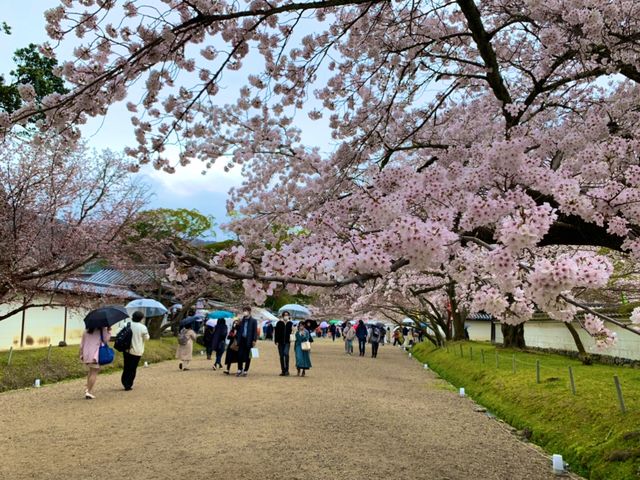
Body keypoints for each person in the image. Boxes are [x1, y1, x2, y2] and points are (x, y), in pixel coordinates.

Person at [79, 325, 112, 399]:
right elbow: (106, 340)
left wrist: (81, 354)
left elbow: (81, 344)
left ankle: (87, 389)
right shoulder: (101, 329)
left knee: (90, 371)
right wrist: (109, 331)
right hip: (95, 355)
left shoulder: (86, 331)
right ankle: (88, 391)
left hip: (86, 354)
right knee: (94, 372)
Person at [121, 311, 150, 391]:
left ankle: (124, 381)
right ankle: (128, 384)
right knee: (133, 368)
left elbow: (118, 333)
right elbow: (146, 338)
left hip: (126, 349)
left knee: (126, 366)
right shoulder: (142, 327)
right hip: (137, 350)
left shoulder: (126, 324)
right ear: (141, 318)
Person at [236, 306, 258, 377]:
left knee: (248, 356)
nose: (245, 312)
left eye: (246, 311)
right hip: (242, 339)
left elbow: (255, 331)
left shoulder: (253, 321)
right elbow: (238, 329)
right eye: (244, 311)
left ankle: (246, 370)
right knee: (239, 355)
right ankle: (240, 369)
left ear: (249, 312)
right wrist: (237, 324)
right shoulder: (241, 320)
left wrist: (254, 340)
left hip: (249, 340)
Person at [274, 311, 293, 376]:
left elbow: (293, 332)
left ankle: (287, 370)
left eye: (287, 315)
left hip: (287, 342)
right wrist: (276, 341)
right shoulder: (279, 323)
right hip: (280, 342)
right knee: (281, 356)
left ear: (289, 316)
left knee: (286, 354)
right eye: (285, 315)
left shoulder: (290, 323)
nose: (286, 316)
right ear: (282, 316)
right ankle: (283, 370)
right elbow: (276, 332)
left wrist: (294, 329)